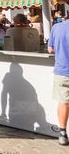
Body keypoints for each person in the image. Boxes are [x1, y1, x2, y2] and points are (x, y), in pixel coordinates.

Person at [49, 13, 69, 146]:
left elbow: (50, 49)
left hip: (63, 71)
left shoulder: (56, 27)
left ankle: (62, 134)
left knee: (64, 102)